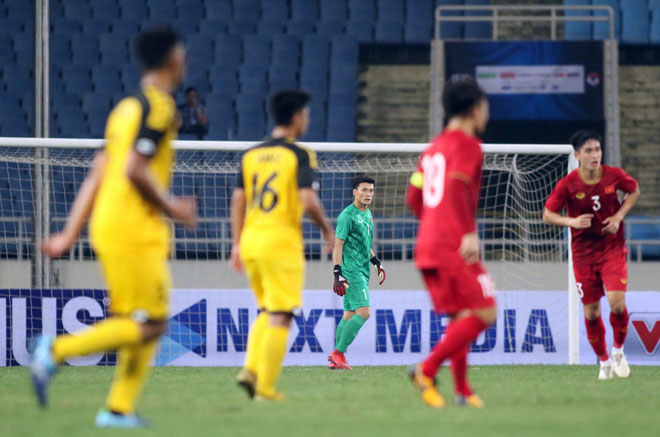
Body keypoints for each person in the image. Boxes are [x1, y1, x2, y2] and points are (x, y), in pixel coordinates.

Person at [31, 27, 197, 428]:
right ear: (174, 59)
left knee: (138, 322)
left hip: (110, 224)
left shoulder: (124, 109)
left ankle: (118, 409)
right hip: (133, 228)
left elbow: (97, 172)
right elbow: (134, 169)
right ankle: (54, 350)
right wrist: (173, 208)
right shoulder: (159, 107)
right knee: (153, 323)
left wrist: (70, 233)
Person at [230, 90, 334, 401]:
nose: (308, 120)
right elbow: (308, 199)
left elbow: (238, 198)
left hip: (250, 241)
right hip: (280, 242)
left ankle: (250, 369)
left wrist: (236, 244)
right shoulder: (298, 154)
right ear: (296, 117)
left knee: (267, 308)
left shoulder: (250, 155)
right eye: (307, 114)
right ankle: (266, 388)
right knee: (282, 314)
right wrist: (328, 231)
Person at [405, 76, 496, 409]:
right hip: (452, 241)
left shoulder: (433, 149)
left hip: (427, 243)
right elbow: (457, 184)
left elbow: (413, 197)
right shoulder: (467, 145)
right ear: (475, 109)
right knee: (486, 311)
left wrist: (434, 222)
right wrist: (467, 231)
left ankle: (462, 390)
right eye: (486, 107)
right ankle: (426, 369)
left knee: (461, 315)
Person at [544, 130, 640, 380]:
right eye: (588, 151)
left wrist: (619, 217)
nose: (594, 155)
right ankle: (604, 362)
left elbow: (634, 190)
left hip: (612, 249)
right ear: (577, 155)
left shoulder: (613, 175)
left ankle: (618, 351)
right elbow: (547, 214)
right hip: (583, 255)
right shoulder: (567, 185)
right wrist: (571, 222)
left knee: (617, 304)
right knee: (592, 313)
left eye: (597, 149)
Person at [328, 176, 386, 370]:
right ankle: (338, 353)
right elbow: (338, 245)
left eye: (370, 190)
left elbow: (364, 244)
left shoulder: (368, 214)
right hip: (351, 272)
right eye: (364, 190)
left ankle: (337, 357)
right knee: (364, 312)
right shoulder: (347, 215)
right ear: (355, 192)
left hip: (363, 269)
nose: (368, 194)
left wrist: (375, 261)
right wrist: (338, 272)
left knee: (349, 314)